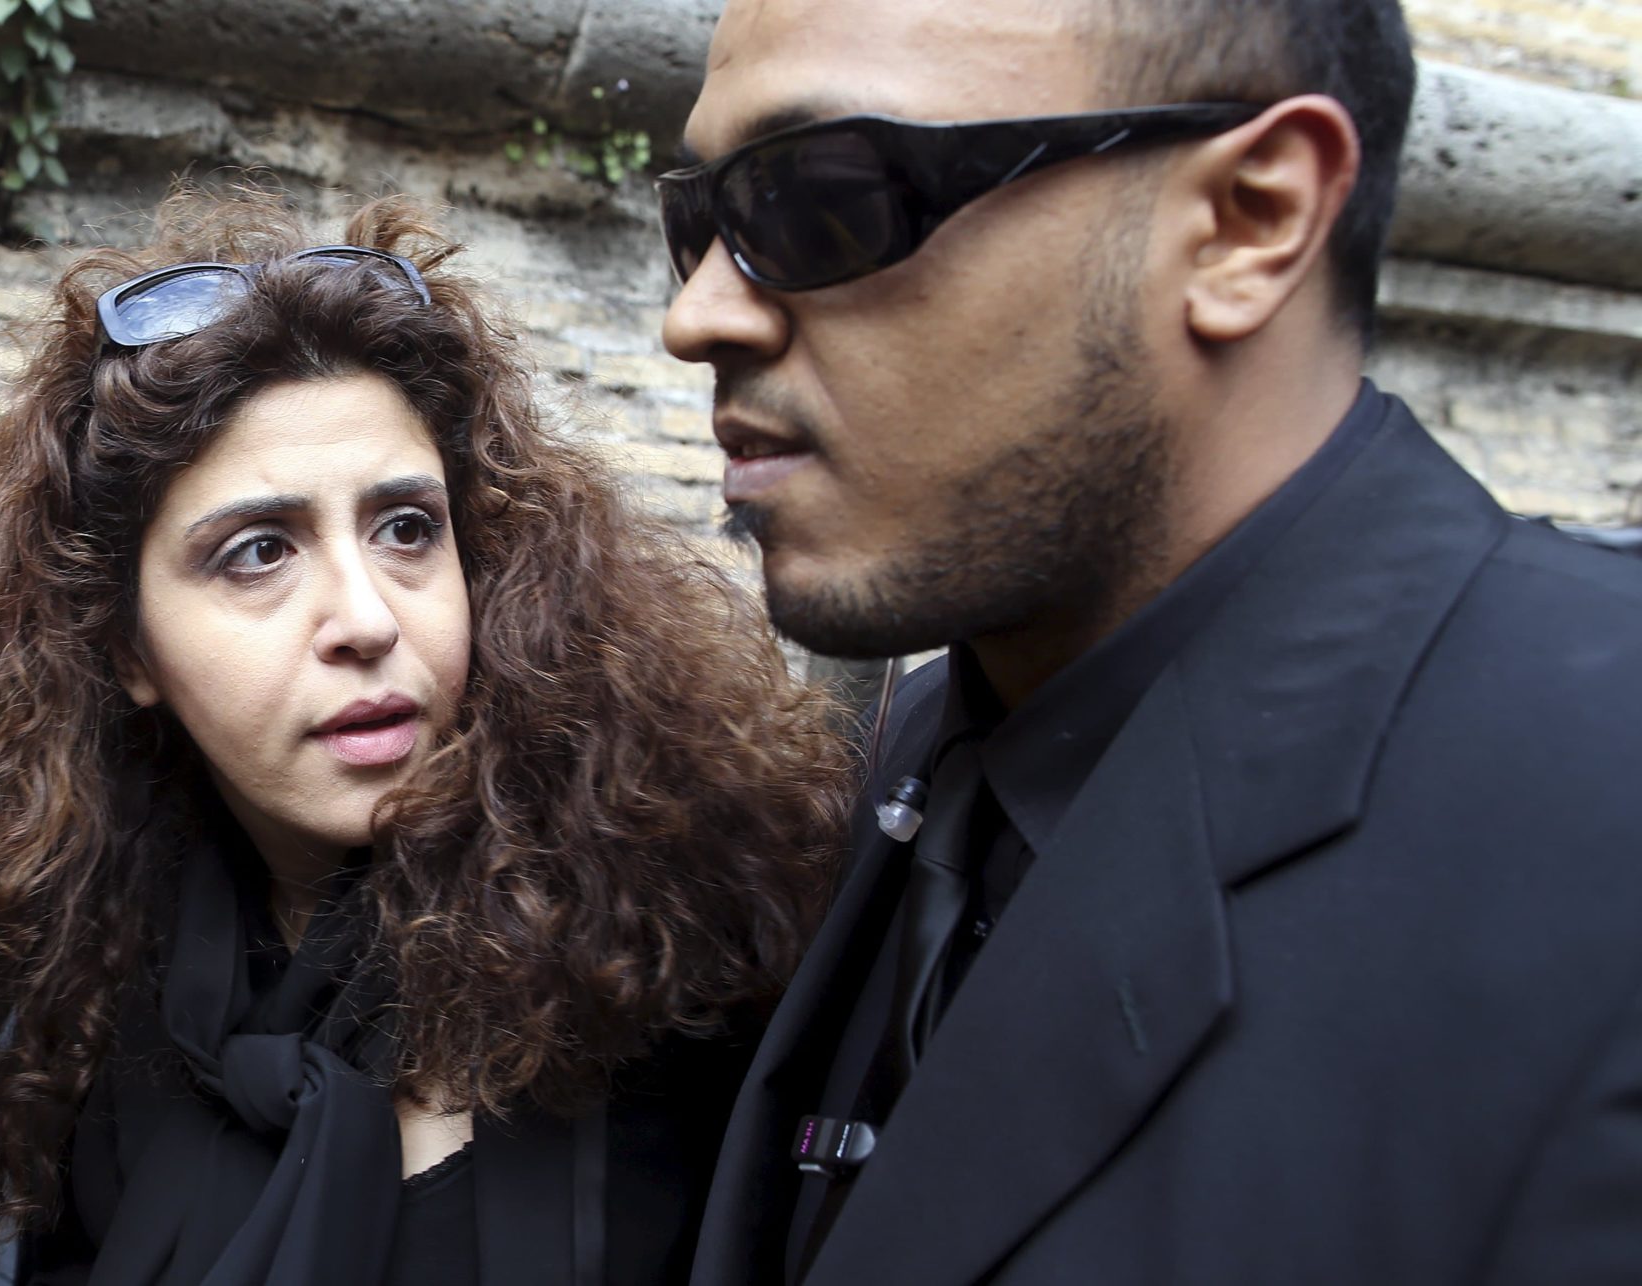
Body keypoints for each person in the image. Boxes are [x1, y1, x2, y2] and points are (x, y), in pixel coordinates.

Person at [657, 0, 1642, 1282]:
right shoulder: (922, 749)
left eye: (825, 197)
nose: (698, 316)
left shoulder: (1598, 826)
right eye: (699, 221)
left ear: (1250, 221)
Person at [0, 189, 851, 1285]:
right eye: (258, 550)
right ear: (127, 650)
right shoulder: (90, 1019)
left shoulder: (679, 975)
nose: (365, 618)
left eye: (408, 528)